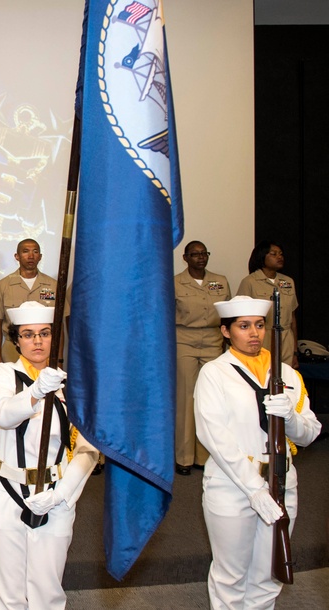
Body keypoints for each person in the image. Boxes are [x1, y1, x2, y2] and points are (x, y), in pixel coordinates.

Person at [194, 296, 320, 608]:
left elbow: (310, 434)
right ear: (226, 332)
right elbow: (214, 435)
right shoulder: (214, 373)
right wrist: (253, 488)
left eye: (260, 325)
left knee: (268, 575)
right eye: (244, 326)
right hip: (232, 485)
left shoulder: (287, 376)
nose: (254, 333)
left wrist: (291, 417)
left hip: (281, 481)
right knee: (231, 575)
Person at [0, 302, 98, 610]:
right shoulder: (3, 374)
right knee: (7, 590)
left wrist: (62, 494)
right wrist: (36, 392)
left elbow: (87, 449)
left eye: (45, 334)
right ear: (16, 340)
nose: (37, 341)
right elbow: (4, 415)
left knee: (48, 590)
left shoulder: (73, 386)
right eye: (28, 334)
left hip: (56, 494)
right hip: (4, 492)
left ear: (54, 338)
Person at [173, 240, 230, 475]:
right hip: (184, 341)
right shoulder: (175, 282)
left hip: (213, 342)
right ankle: (184, 457)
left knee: (209, 399)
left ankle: (205, 455)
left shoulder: (221, 281)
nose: (200, 258)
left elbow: (228, 314)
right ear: (185, 258)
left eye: (204, 253)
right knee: (186, 399)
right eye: (195, 254)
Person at [0, 239, 57, 364]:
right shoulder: (3, 286)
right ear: (17, 256)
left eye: (35, 252)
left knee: (44, 383)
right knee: (13, 383)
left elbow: (59, 325)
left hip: (44, 350)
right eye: (25, 252)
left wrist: (59, 359)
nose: (30, 256)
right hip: (12, 350)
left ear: (40, 257)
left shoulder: (53, 286)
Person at [236, 241, 299, 367]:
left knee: (285, 380)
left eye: (281, 254)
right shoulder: (250, 282)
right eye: (274, 254)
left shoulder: (288, 281)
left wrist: (295, 351)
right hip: (262, 337)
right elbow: (240, 317)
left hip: (286, 338)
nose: (279, 257)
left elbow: (292, 317)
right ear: (262, 257)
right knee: (262, 377)